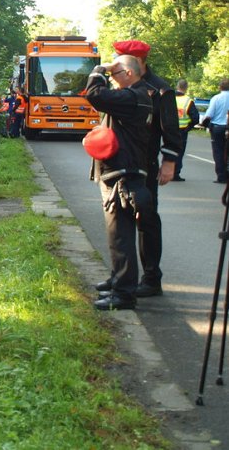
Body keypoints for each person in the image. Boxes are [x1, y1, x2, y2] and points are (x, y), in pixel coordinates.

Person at [96, 40, 180, 298]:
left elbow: (171, 129)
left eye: (121, 60)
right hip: (122, 162)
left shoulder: (160, 89)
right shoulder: (124, 84)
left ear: (138, 61)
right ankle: (120, 275)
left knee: (146, 219)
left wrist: (169, 162)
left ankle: (152, 278)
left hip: (145, 164)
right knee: (119, 224)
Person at [85, 55, 155, 310]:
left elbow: (94, 94)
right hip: (125, 174)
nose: (111, 81)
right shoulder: (137, 97)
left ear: (127, 73)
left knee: (121, 236)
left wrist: (99, 70)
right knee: (119, 235)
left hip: (122, 178)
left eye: (114, 75)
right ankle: (119, 281)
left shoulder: (133, 97)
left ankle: (124, 294)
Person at [201, 79, 229, 184]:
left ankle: (221, 176)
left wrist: (204, 122)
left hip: (217, 128)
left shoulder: (216, 98)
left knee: (218, 152)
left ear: (220, 87)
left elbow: (210, 114)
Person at [173, 78, 199, 181]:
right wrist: (189, 127)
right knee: (179, 152)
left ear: (177, 86)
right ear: (186, 88)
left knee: (169, 150)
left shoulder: (169, 98)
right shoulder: (188, 101)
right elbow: (195, 118)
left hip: (169, 130)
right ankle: (175, 173)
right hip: (182, 130)